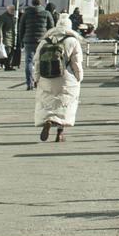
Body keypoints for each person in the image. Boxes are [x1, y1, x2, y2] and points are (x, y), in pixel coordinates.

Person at [33, 14, 84, 142]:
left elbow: (37, 62)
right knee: (65, 104)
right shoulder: (72, 41)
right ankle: (60, 133)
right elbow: (76, 63)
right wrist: (79, 77)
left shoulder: (45, 41)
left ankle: (48, 120)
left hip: (46, 77)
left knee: (46, 102)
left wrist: (36, 78)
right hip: (65, 77)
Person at [18, 0, 49, 90]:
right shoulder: (46, 13)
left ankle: (29, 83)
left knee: (29, 62)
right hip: (42, 41)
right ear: (40, 3)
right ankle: (39, 82)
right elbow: (51, 27)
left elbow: (21, 28)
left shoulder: (26, 14)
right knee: (40, 62)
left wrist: (20, 40)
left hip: (29, 41)